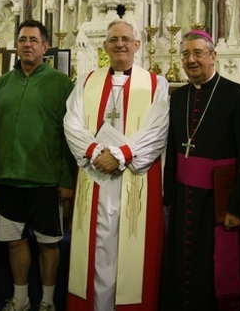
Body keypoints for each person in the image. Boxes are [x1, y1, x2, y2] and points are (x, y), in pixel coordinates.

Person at [64, 20, 169, 311]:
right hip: (94, 177)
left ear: (137, 45)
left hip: (134, 181)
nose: (119, 44)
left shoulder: (154, 83)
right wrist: (95, 151)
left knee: (129, 254)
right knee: (95, 251)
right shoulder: (86, 82)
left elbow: (157, 130)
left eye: (125, 38)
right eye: (113, 39)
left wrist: (121, 155)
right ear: (105, 46)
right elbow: (71, 123)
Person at [0, 19, 76, 311]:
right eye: (22, 39)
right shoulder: (3, 85)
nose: (27, 45)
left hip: (45, 181)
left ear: (45, 47)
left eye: (33, 40)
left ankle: (47, 301)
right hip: (8, 180)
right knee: (14, 242)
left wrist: (66, 180)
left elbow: (70, 136)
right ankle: (20, 298)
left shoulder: (61, 84)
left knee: (49, 244)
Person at [161, 30, 240, 310]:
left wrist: (237, 207)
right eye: (186, 54)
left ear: (213, 56)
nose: (191, 60)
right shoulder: (178, 97)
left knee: (214, 266)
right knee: (184, 263)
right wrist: (169, 198)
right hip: (184, 198)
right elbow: (174, 151)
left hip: (219, 201)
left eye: (198, 53)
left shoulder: (238, 95)